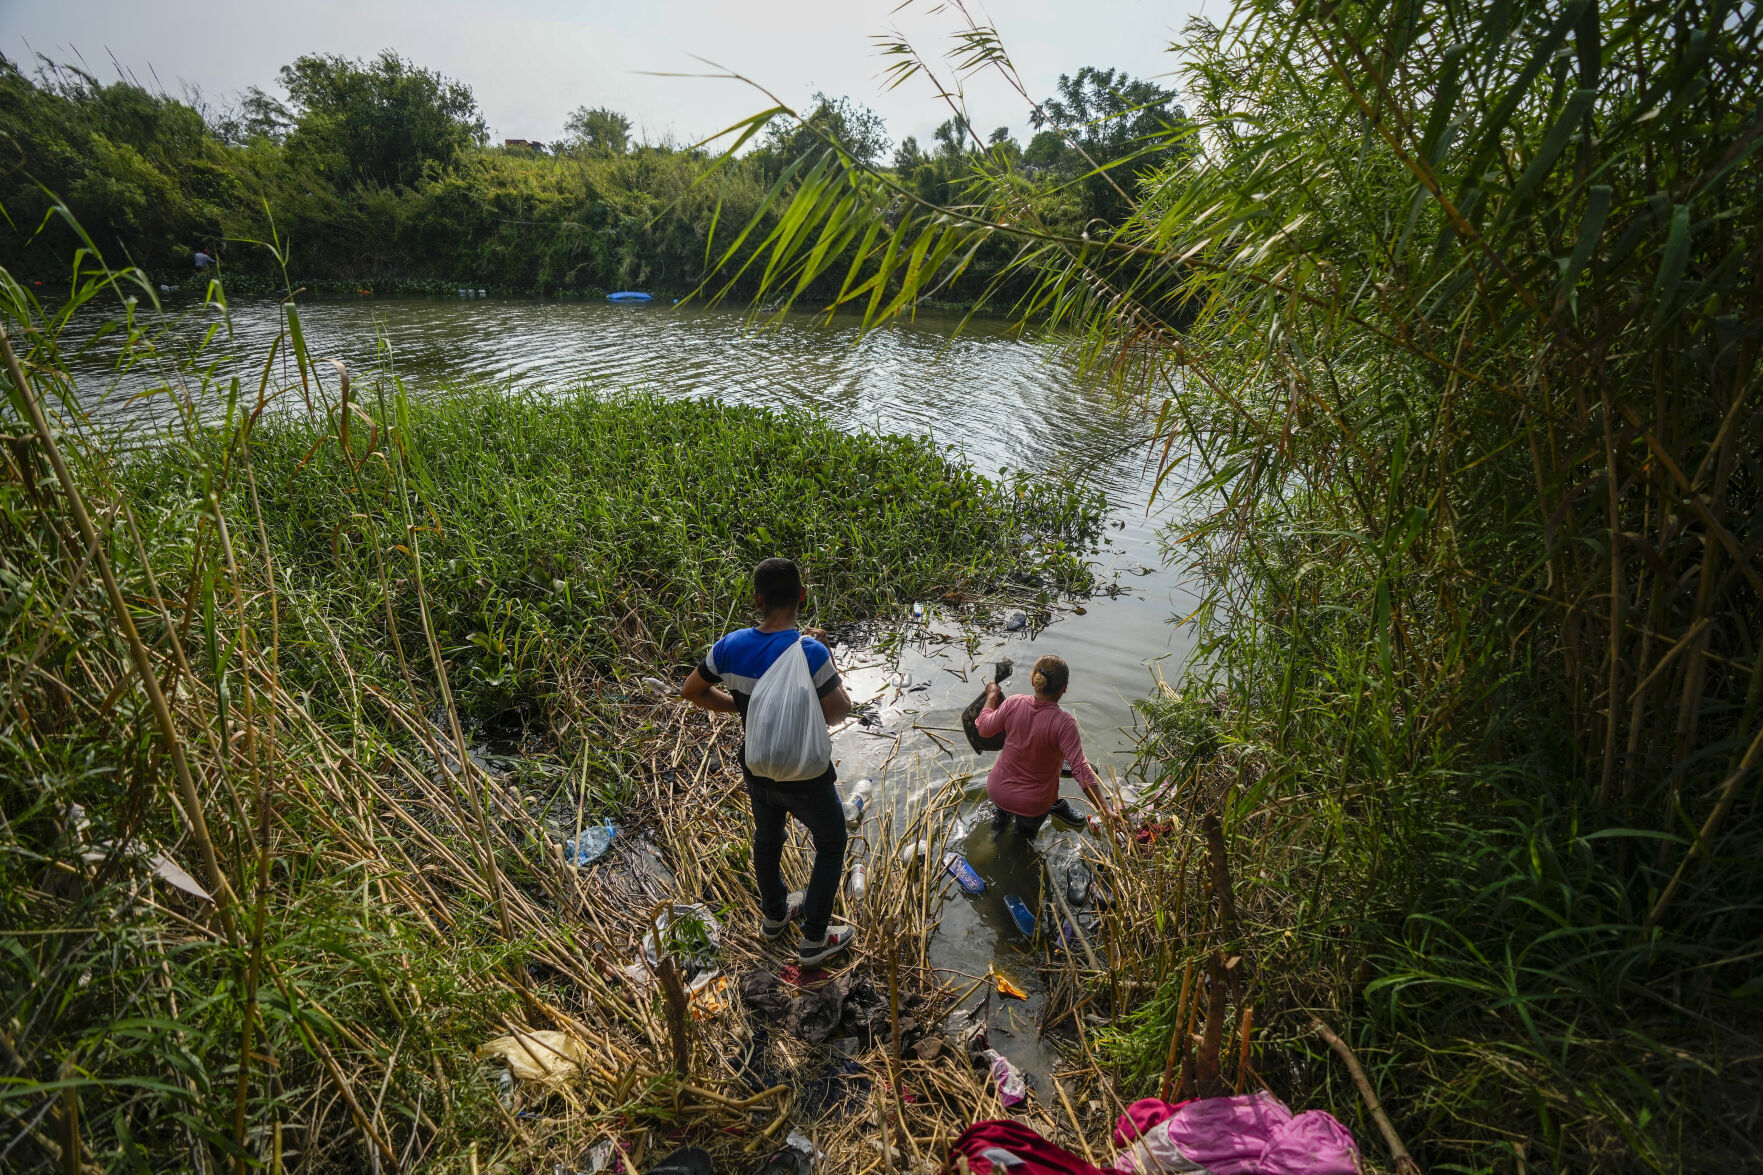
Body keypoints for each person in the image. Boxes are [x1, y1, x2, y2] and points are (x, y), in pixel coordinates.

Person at [681, 558, 857, 964]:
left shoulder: (729, 647)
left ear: (757, 600)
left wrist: (743, 708)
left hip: (757, 765)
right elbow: (837, 713)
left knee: (768, 837)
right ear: (802, 597)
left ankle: (774, 916)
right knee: (832, 843)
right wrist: (828, 655)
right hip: (805, 775)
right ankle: (814, 938)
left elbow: (691, 690)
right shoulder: (809, 652)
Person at [975, 654, 1115, 836]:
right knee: (1023, 841)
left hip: (998, 790)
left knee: (999, 826)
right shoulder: (1064, 724)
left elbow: (983, 728)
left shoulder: (1013, 703)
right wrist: (1105, 809)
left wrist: (992, 695)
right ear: (1064, 688)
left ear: (1034, 681)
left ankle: (996, 832)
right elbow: (1080, 769)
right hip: (1032, 804)